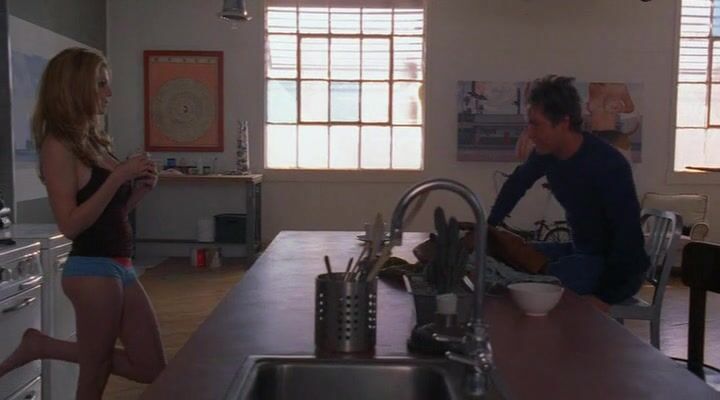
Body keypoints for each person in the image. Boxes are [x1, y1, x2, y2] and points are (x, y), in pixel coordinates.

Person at [0, 47, 165, 399]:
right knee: (94, 375)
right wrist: (118, 177)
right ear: (76, 87)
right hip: (91, 268)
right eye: (101, 84)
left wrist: (139, 191)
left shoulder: (91, 141)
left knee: (151, 367)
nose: (109, 92)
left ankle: (40, 345)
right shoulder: (57, 146)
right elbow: (71, 225)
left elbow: (107, 214)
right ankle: (38, 345)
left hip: (120, 264)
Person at [487, 75, 649, 305]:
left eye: (536, 124)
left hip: (616, 268)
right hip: (580, 251)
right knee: (513, 257)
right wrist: (489, 229)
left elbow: (627, 238)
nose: (530, 133)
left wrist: (604, 297)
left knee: (535, 282)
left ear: (563, 123)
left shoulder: (607, 164)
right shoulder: (546, 154)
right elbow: (517, 184)